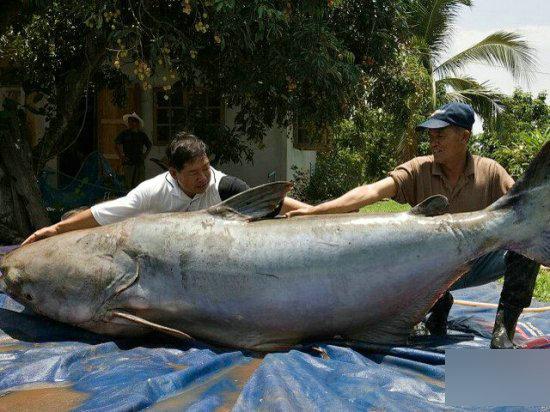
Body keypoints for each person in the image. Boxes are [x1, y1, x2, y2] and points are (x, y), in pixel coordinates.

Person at [286, 102, 540, 349]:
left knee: (526, 245)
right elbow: (371, 191)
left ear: (464, 136)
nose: (434, 141)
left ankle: (503, 331)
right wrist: (315, 211)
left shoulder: (491, 172)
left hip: (475, 263)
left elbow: (523, 206)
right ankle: (436, 304)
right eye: (431, 135)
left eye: (441, 134)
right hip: (426, 270)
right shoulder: (419, 169)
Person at [23, 132, 309, 245]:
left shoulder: (223, 186)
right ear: (173, 173)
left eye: (206, 167)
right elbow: (102, 214)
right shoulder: (151, 193)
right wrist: (55, 230)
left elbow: (273, 202)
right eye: (194, 172)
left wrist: (316, 212)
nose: (203, 177)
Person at [116, 112, 153, 190]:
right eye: (129, 121)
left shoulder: (142, 135)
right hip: (128, 162)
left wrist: (145, 155)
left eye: (132, 121)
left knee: (139, 185)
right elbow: (117, 144)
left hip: (139, 162)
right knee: (128, 185)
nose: (130, 123)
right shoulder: (125, 134)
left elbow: (149, 145)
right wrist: (121, 156)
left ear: (136, 123)